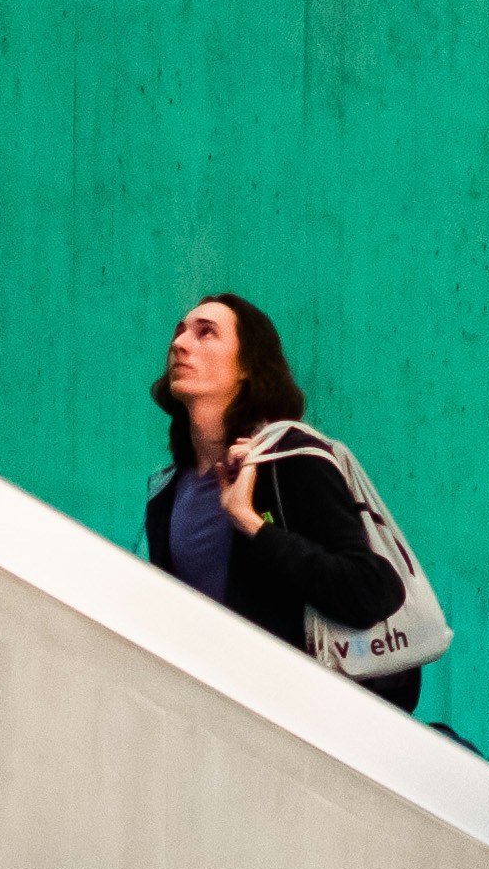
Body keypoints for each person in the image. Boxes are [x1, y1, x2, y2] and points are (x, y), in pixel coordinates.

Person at [141, 294, 425, 720]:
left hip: (299, 720)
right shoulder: (166, 491)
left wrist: (251, 524)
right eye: (180, 332)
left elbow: (371, 589)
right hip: (215, 717)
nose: (181, 344)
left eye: (206, 333)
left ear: (247, 367)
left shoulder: (289, 459)